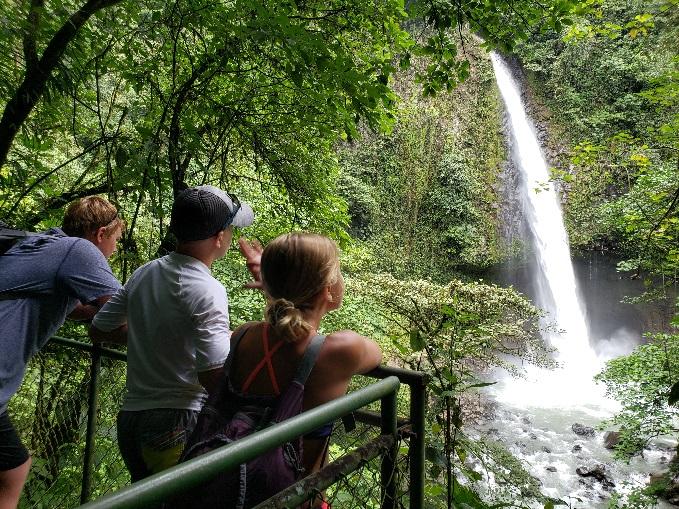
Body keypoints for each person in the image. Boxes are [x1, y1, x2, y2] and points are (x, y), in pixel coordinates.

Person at [89, 185, 255, 482]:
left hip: (131, 418)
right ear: (220, 237)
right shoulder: (207, 289)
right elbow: (212, 373)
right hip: (176, 422)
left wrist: (154, 333)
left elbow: (100, 328)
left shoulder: (145, 272)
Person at [0, 196, 124, 508]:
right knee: (13, 470)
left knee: (13, 466)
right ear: (100, 234)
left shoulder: (45, 243)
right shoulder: (79, 250)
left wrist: (92, 309)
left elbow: (69, 305)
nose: (115, 249)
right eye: (116, 240)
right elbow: (120, 310)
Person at [228, 232, 382, 483]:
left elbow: (281, 327)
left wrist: (275, 287)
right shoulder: (342, 349)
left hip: (230, 486)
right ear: (327, 289)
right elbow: (377, 354)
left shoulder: (242, 336)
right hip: (295, 495)